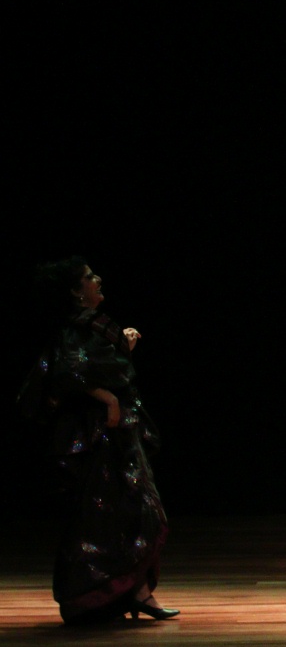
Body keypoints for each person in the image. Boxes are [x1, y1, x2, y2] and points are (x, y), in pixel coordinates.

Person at [16, 256, 178, 624]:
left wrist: (124, 345)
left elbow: (98, 365)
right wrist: (109, 399)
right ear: (76, 292)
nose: (97, 279)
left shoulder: (90, 326)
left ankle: (137, 592)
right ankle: (102, 597)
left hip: (114, 434)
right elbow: (70, 372)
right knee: (111, 515)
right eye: (89, 277)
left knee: (132, 511)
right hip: (97, 435)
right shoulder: (75, 328)